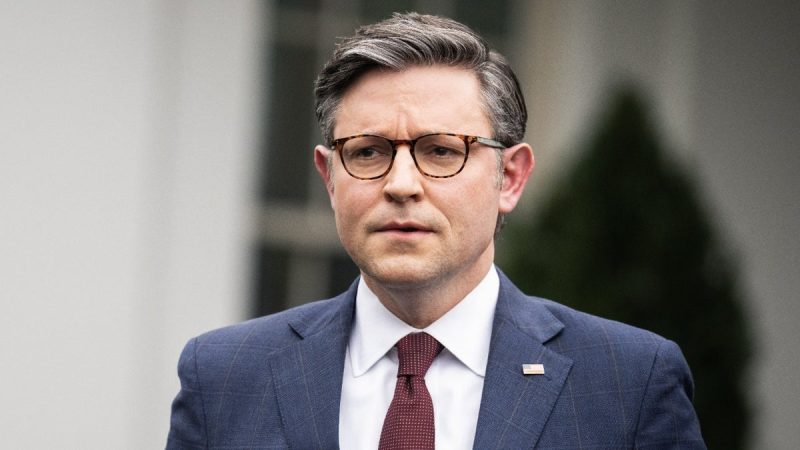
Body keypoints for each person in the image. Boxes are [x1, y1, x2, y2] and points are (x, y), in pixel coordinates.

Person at [167, 12, 705, 449]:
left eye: (442, 151)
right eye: (368, 152)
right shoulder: (223, 377)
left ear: (510, 178)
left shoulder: (628, 382)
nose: (401, 184)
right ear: (329, 177)